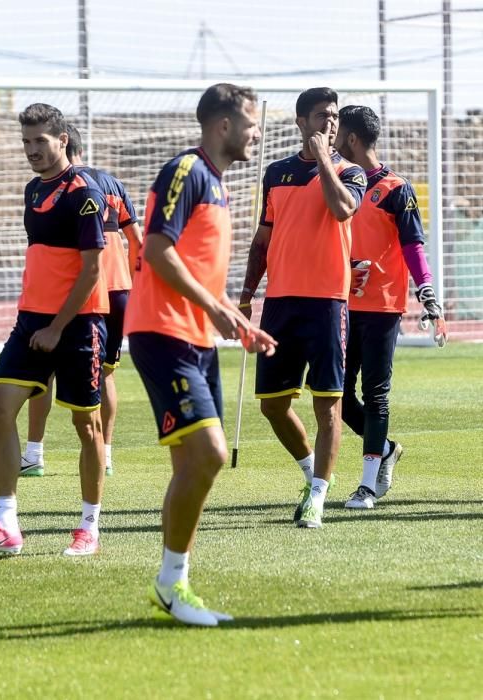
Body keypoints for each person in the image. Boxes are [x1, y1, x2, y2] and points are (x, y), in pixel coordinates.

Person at [124, 83, 277, 626]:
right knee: (210, 453)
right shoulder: (186, 172)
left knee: (191, 463)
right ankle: (170, 585)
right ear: (223, 126)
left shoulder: (218, 184)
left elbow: (195, 264)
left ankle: (175, 585)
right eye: (252, 121)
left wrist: (231, 319)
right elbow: (157, 249)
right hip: (163, 333)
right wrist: (215, 306)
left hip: (196, 337)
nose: (258, 131)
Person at [0, 103, 109, 558]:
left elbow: (91, 271)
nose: (32, 150)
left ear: (62, 139)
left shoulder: (84, 193)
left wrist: (57, 327)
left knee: (87, 427)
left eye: (40, 141)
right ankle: (5, 523)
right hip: (30, 321)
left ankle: (89, 526)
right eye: (26, 142)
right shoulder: (31, 190)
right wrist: (39, 323)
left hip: (79, 324)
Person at [239, 87, 367, 529]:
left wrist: (325, 160)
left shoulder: (350, 172)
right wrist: (246, 293)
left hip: (329, 302)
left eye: (334, 117)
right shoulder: (276, 172)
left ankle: (318, 497)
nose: (329, 123)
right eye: (320, 116)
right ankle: (311, 472)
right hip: (280, 302)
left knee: (328, 406)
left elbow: (342, 210)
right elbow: (263, 239)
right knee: (272, 405)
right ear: (300, 121)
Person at [334, 105, 447, 509]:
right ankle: (386, 449)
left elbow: (412, 244)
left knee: (375, 393)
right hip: (340, 302)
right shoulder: (338, 183)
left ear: (350, 139)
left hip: (382, 307)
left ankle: (367, 485)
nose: (330, 140)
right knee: (336, 394)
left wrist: (427, 290)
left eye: (336, 134)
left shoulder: (395, 188)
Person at [20, 123, 143, 478]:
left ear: (63, 144)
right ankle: (104, 453)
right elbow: (137, 240)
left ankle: (34, 453)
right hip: (116, 288)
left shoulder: (53, 187)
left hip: (71, 288)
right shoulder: (112, 183)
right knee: (103, 373)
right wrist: (137, 288)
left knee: (43, 371)